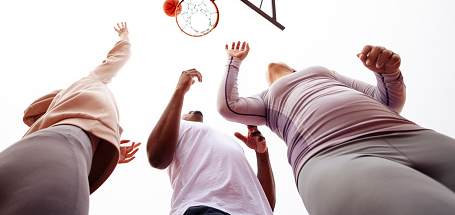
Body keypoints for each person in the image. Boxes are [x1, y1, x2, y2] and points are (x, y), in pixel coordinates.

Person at [217, 41, 455, 215]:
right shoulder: (264, 100)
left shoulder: (324, 72)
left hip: (411, 136)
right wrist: (233, 60)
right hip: (333, 157)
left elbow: (386, 101)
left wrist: (389, 73)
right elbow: (228, 106)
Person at [0, 23, 140, 215]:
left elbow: (32, 113)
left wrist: (103, 141)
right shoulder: (91, 82)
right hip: (61, 154)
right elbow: (118, 58)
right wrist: (124, 36)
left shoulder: (55, 112)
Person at [147, 69, 276, 215]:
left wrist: (262, 153)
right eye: (185, 113)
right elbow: (156, 157)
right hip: (206, 208)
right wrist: (180, 90)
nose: (190, 110)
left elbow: (265, 203)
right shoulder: (180, 128)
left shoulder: (233, 142)